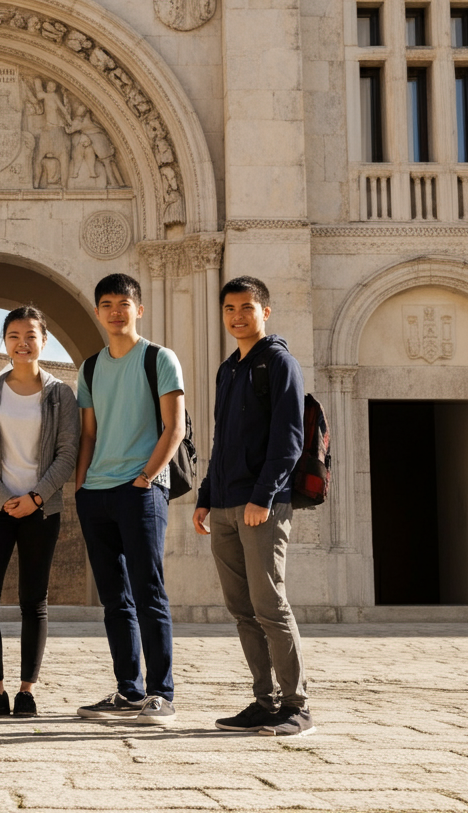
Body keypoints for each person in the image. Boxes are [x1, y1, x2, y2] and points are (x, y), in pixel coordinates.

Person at [192, 276, 313, 736]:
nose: (237, 316)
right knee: (242, 609)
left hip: (261, 505)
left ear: (265, 311)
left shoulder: (279, 363)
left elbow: (288, 440)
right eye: (229, 309)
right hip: (224, 505)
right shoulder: (229, 369)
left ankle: (296, 706)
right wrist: (206, 497)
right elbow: (222, 441)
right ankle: (265, 701)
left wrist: (263, 496)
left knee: (270, 606)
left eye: (246, 307)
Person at [74, 273, 185, 725]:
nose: (115, 311)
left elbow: (173, 429)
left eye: (124, 303)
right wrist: (81, 484)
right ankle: (127, 690)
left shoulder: (159, 359)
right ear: (98, 312)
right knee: (115, 599)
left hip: (141, 492)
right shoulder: (90, 368)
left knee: (148, 592)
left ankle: (161, 694)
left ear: (139, 309)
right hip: (96, 494)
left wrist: (145, 477)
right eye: (107, 304)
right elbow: (88, 433)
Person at [0, 306, 79, 718]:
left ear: (43, 340)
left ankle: (26, 692)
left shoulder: (60, 393)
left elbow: (68, 453)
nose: (22, 342)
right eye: (13, 335)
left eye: (31, 335)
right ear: (5, 341)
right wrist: (0, 497)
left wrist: (35, 497)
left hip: (42, 509)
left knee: (34, 602)